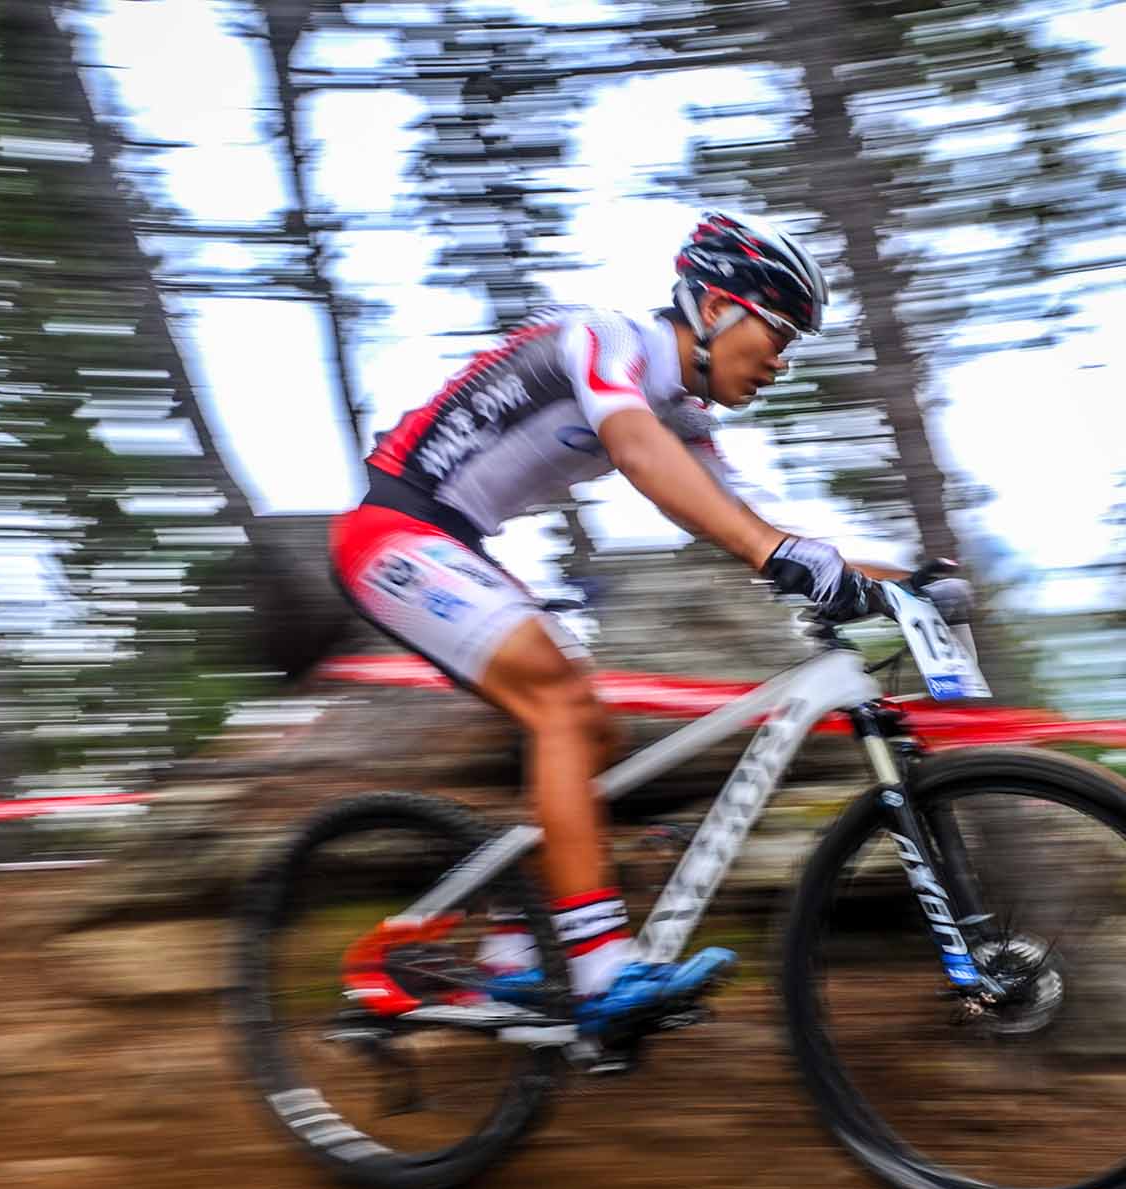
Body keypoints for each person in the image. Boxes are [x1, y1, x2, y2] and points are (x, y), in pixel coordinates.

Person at [329, 213, 911, 1034]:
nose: (780, 361)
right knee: (562, 706)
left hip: (448, 544)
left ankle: (515, 948)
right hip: (391, 533)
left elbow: (753, 518)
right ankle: (599, 967)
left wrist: (900, 581)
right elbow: (637, 452)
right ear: (714, 308)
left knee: (591, 731)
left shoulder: (682, 416)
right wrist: (775, 550)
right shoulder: (608, 341)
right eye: (778, 334)